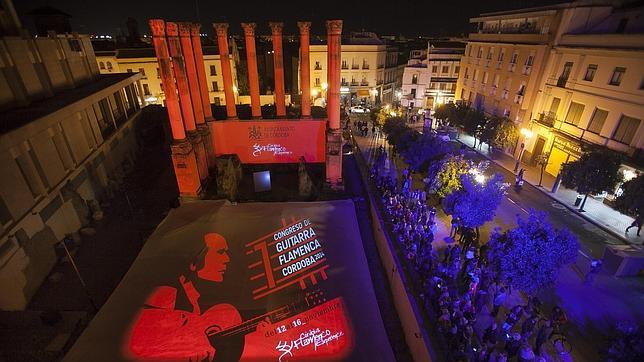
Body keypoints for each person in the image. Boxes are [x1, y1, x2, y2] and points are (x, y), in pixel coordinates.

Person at [128, 233, 266, 361]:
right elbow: (139, 342)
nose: (227, 259)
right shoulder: (167, 291)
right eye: (220, 252)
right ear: (194, 262)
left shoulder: (195, 301)